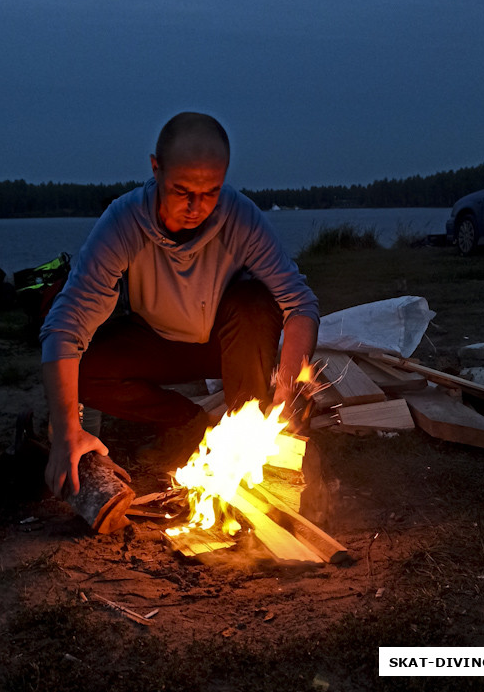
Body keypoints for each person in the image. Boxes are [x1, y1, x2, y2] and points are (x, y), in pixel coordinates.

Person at [41, 112, 319, 498]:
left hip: (224, 345)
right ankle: (187, 422)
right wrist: (66, 430)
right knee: (84, 369)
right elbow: (65, 324)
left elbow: (299, 302)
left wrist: (286, 394)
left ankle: (246, 435)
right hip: (156, 341)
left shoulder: (240, 219)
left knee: (255, 302)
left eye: (210, 192)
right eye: (182, 190)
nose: (196, 206)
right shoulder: (125, 222)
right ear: (156, 169)